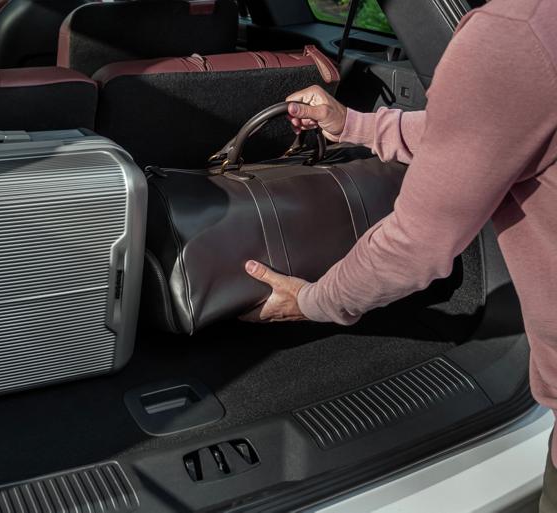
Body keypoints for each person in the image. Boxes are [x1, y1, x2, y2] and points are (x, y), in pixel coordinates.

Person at [241, 0, 557, 508]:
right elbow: (490, 129)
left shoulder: (518, 29)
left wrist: (314, 301)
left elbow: (417, 244)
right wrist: (356, 128)